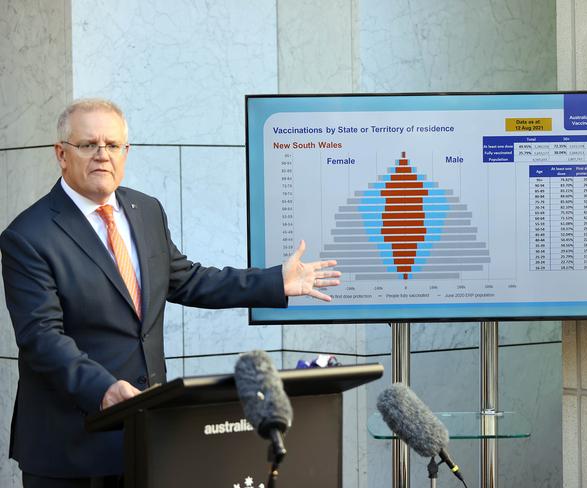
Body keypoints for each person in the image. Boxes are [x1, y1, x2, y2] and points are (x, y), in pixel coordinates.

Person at [0, 98, 341, 488]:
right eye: (88, 144)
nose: (102, 155)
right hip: (71, 448)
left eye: (113, 145)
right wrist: (104, 388)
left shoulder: (145, 209)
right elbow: (41, 337)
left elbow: (187, 279)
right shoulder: (28, 235)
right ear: (62, 154)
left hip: (147, 434)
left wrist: (273, 282)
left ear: (126, 153)